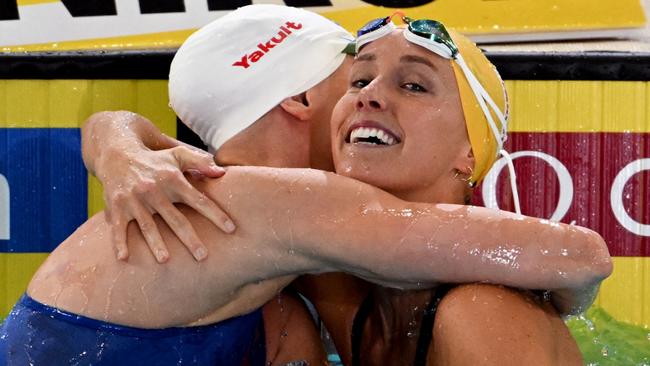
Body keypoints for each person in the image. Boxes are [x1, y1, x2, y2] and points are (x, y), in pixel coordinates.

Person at [4, 5, 610, 366]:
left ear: (471, 148)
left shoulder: (299, 277)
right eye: (356, 78)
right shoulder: (298, 239)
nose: (369, 94)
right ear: (300, 99)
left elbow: (584, 255)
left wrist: (113, 140)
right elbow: (581, 255)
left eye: (414, 85)